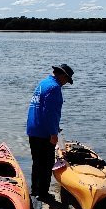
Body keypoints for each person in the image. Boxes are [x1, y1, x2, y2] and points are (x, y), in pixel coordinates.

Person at [26, 63, 74, 199]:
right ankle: (43, 194)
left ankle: (35, 190)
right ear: (63, 75)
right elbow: (50, 112)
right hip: (44, 132)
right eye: (67, 80)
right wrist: (53, 133)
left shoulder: (43, 83)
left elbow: (40, 108)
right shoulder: (54, 88)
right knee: (46, 163)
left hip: (33, 128)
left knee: (36, 162)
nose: (65, 83)